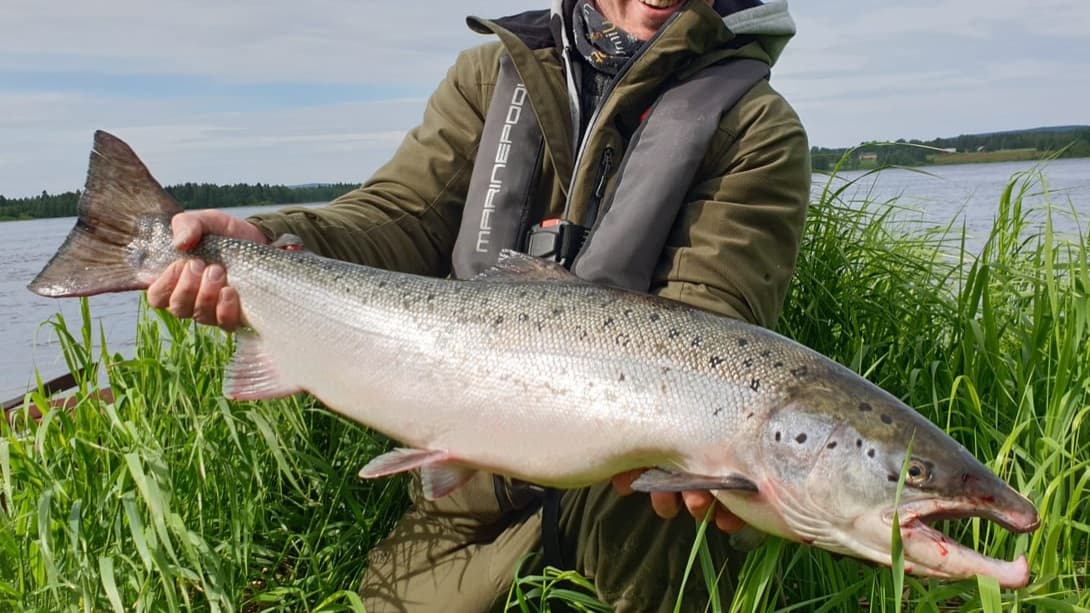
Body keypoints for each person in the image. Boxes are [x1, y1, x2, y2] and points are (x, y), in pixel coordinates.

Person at [148, 0, 810, 610]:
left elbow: (713, 325)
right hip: (466, 496)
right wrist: (272, 242)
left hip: (631, 508)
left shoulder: (754, 124)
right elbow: (399, 214)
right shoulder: (491, 74)